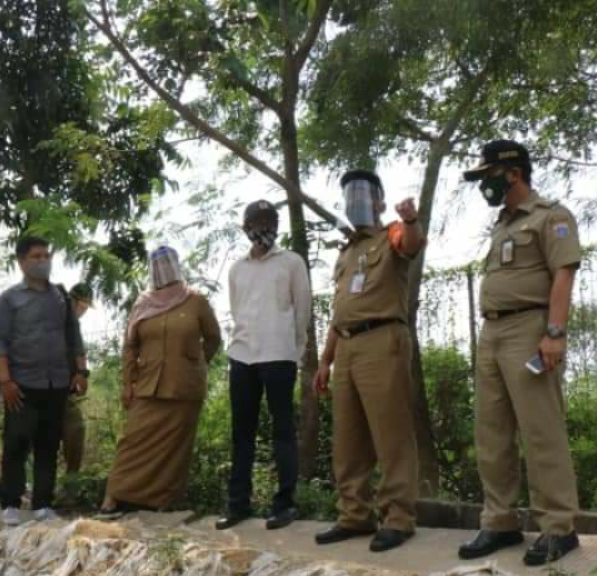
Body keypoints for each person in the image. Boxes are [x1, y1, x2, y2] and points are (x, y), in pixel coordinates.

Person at [457, 140, 583, 566]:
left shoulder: (552, 216)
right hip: (491, 331)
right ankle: (500, 522)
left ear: (512, 173)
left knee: (541, 429)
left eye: (487, 175)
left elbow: (562, 275)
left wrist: (554, 333)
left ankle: (558, 527)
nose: (483, 185)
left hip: (530, 329)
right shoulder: (502, 224)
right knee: (491, 433)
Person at [313, 171, 426, 553]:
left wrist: (410, 219)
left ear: (379, 200)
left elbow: (410, 244)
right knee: (348, 438)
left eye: (363, 193)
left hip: (383, 340)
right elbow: (339, 310)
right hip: (345, 345)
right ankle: (354, 515)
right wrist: (325, 360)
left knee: (391, 433)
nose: (355, 200)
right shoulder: (345, 253)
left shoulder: (390, 234)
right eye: (349, 194)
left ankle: (398, 518)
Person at [100, 247, 221, 514]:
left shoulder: (196, 300)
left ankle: (161, 501)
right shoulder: (143, 302)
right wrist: (127, 383)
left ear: (177, 265)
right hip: (147, 385)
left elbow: (213, 338)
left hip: (184, 388)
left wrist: (196, 362)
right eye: (157, 263)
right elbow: (130, 346)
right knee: (131, 441)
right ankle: (115, 495)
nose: (163, 268)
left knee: (174, 451)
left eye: (167, 263)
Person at [217, 201, 312, 531]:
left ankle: (285, 504)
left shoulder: (291, 263)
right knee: (241, 433)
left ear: (277, 225)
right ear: (245, 228)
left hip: (279, 355)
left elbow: (302, 311)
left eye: (270, 221)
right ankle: (237, 505)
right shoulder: (237, 269)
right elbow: (236, 309)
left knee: (282, 431)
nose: (264, 228)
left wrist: (294, 351)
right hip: (242, 355)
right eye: (257, 222)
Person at [0, 235, 88, 526]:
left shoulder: (60, 297)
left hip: (56, 382)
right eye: (36, 256)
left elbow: (74, 337)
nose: (42, 261)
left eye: (46, 255)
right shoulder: (10, 299)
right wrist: (5, 381)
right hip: (21, 384)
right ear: (22, 262)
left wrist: (81, 372)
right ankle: (10, 502)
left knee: (48, 444)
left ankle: (42, 504)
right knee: (17, 443)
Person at [60, 282, 95, 481]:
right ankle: (7, 483)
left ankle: (70, 485)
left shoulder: (75, 325)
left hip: (66, 392)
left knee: (76, 430)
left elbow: (78, 352)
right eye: (82, 306)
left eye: (86, 308)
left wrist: (82, 373)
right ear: (71, 301)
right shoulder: (54, 319)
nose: (83, 311)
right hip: (41, 389)